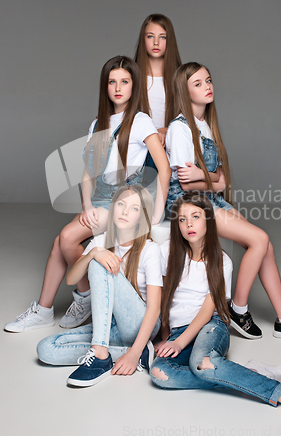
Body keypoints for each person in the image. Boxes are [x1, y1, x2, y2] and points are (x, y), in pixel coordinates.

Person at [4, 56, 170, 333]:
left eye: (125, 82)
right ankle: (45, 310)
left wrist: (155, 213)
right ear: (105, 86)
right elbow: (87, 173)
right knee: (60, 243)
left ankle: (84, 296)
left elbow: (163, 169)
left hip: (124, 200)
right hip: (99, 200)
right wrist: (85, 205)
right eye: (112, 81)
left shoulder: (140, 122)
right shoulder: (97, 124)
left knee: (67, 238)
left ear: (134, 86)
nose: (118, 88)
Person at [165, 62, 281, 342]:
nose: (207, 86)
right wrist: (210, 178)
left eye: (209, 80)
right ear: (184, 91)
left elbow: (223, 181)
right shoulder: (180, 129)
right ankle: (238, 309)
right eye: (198, 83)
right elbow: (187, 184)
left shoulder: (207, 126)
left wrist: (207, 176)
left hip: (210, 198)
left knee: (266, 246)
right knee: (259, 239)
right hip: (188, 202)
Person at [150, 193, 281, 420]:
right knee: (159, 373)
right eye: (182, 219)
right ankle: (251, 375)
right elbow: (164, 298)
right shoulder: (167, 250)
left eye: (195, 216)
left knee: (203, 363)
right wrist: (167, 336)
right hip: (178, 330)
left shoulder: (222, 262)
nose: (189, 224)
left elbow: (206, 311)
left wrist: (180, 342)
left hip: (210, 326)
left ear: (209, 220)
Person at [37, 185, 162, 387]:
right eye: (120, 204)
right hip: (110, 327)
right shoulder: (101, 240)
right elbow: (71, 279)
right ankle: (132, 352)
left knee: (98, 262)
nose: (125, 211)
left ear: (142, 217)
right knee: (46, 348)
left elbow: (155, 308)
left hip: (139, 323)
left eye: (134, 208)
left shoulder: (150, 250)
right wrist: (93, 253)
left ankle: (101, 356)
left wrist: (96, 258)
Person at [134, 13, 182, 146]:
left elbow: (194, 117)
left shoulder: (181, 77)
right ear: (143, 39)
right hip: (139, 146)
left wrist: (168, 129)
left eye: (162, 37)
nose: (156, 42)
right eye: (150, 36)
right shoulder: (131, 76)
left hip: (172, 145)